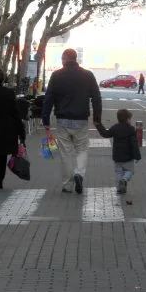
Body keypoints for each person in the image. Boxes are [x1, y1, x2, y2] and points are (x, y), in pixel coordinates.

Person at [42, 48, 102, 194]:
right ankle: (79, 174)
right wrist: (96, 118)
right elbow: (96, 97)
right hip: (81, 119)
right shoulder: (88, 75)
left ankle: (67, 184)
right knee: (82, 148)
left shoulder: (56, 75)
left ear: (64, 59)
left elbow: (49, 97)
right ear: (76, 59)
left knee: (65, 152)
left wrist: (46, 118)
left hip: (63, 119)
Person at [95, 109, 141, 194]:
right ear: (127, 119)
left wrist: (99, 125)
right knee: (130, 171)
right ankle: (124, 180)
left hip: (117, 156)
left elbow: (105, 134)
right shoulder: (131, 129)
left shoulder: (115, 127)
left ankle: (119, 188)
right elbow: (134, 144)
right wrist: (137, 156)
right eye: (130, 119)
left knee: (118, 172)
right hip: (128, 157)